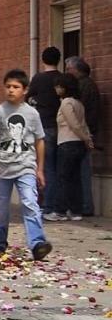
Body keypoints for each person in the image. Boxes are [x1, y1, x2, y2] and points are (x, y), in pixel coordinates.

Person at [0, 69, 50, 260]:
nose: (11, 90)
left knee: (29, 202)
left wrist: (40, 169)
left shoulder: (32, 114)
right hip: (2, 168)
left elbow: (40, 140)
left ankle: (37, 243)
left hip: (26, 166)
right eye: (8, 86)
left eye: (16, 87)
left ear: (25, 90)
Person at [48, 73, 94, 222]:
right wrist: (87, 140)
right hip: (79, 145)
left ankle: (59, 210)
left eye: (58, 86)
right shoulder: (79, 103)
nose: (56, 89)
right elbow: (84, 124)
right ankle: (76, 211)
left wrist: (85, 138)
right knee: (75, 179)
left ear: (64, 87)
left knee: (63, 178)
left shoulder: (66, 102)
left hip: (67, 143)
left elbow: (74, 124)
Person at [27, 47, 62, 213]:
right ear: (59, 60)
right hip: (62, 128)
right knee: (58, 167)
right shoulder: (62, 78)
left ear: (43, 60)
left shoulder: (38, 78)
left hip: (42, 126)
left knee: (44, 166)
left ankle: (46, 205)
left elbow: (27, 97)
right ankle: (58, 205)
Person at [64, 57, 100, 216]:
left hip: (84, 133)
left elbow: (80, 114)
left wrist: (86, 136)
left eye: (68, 69)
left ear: (76, 70)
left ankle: (85, 206)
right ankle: (84, 205)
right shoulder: (87, 84)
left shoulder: (84, 86)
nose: (67, 72)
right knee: (81, 172)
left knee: (81, 172)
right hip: (86, 131)